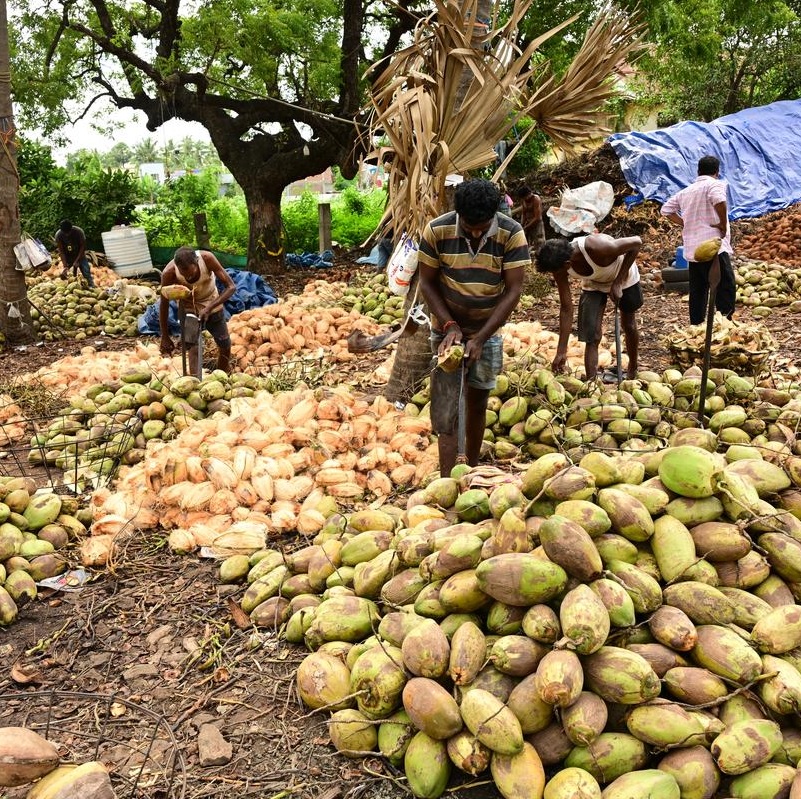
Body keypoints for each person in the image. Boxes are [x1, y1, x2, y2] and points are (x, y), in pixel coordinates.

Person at [418, 178, 528, 476]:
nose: (477, 232)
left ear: (495, 214)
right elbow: (427, 282)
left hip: (487, 328)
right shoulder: (437, 230)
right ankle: (446, 477)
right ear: (458, 215)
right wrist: (450, 325)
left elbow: (513, 290)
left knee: (478, 399)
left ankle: (473, 470)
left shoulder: (511, 233)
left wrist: (480, 337)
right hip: (446, 326)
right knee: (447, 403)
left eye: (483, 225)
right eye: (469, 226)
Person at [536, 233, 643, 381]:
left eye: (555, 272)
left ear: (567, 264)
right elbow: (566, 308)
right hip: (593, 283)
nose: (555, 275)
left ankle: (632, 368)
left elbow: (636, 242)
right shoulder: (559, 264)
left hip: (622, 276)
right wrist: (561, 351)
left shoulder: (598, 247)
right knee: (591, 334)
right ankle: (592, 383)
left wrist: (618, 282)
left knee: (629, 325)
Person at [660, 155, 735, 325]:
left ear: (698, 171)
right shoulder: (715, 184)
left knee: (698, 290)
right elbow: (719, 200)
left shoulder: (686, 192)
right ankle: (726, 323)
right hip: (713, 247)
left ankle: (696, 325)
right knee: (725, 286)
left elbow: (666, 209)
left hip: (694, 249)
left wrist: (684, 222)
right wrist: (722, 224)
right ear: (717, 172)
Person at [159, 247, 236, 374]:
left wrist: (209, 308)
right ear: (177, 267)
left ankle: (222, 374)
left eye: (191, 273)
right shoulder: (169, 272)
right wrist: (165, 336)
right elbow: (164, 305)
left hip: (212, 302)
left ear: (197, 261)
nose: (188, 276)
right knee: (192, 346)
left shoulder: (207, 259)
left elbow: (231, 287)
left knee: (224, 344)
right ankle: (195, 381)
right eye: (184, 274)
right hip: (188, 307)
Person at [55, 220, 94, 287]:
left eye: (68, 232)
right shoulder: (58, 235)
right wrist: (65, 266)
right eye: (65, 233)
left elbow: (83, 247)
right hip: (68, 256)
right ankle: (72, 289)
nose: (67, 234)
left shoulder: (79, 232)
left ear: (71, 229)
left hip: (79, 254)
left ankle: (91, 287)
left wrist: (77, 260)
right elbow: (61, 251)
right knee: (67, 275)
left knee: (86, 271)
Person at [515, 185, 546, 250]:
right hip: (528, 223)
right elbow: (524, 213)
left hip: (537, 224)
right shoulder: (523, 200)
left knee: (539, 242)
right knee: (526, 242)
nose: (524, 199)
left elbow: (537, 217)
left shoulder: (536, 199)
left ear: (529, 194)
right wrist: (522, 224)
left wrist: (526, 227)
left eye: (525, 197)